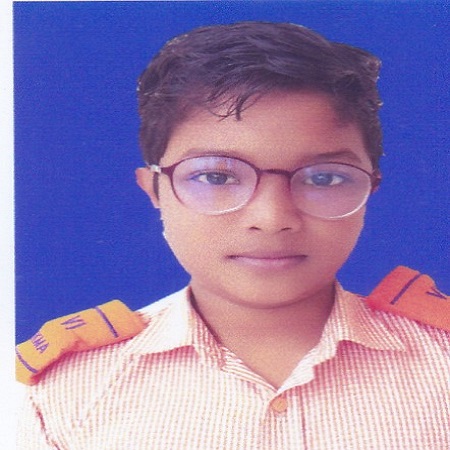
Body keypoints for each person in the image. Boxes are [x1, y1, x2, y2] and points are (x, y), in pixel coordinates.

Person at [16, 21, 449, 449]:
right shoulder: (63, 392)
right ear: (155, 190)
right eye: (217, 176)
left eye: (323, 178)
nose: (272, 218)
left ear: (370, 189)